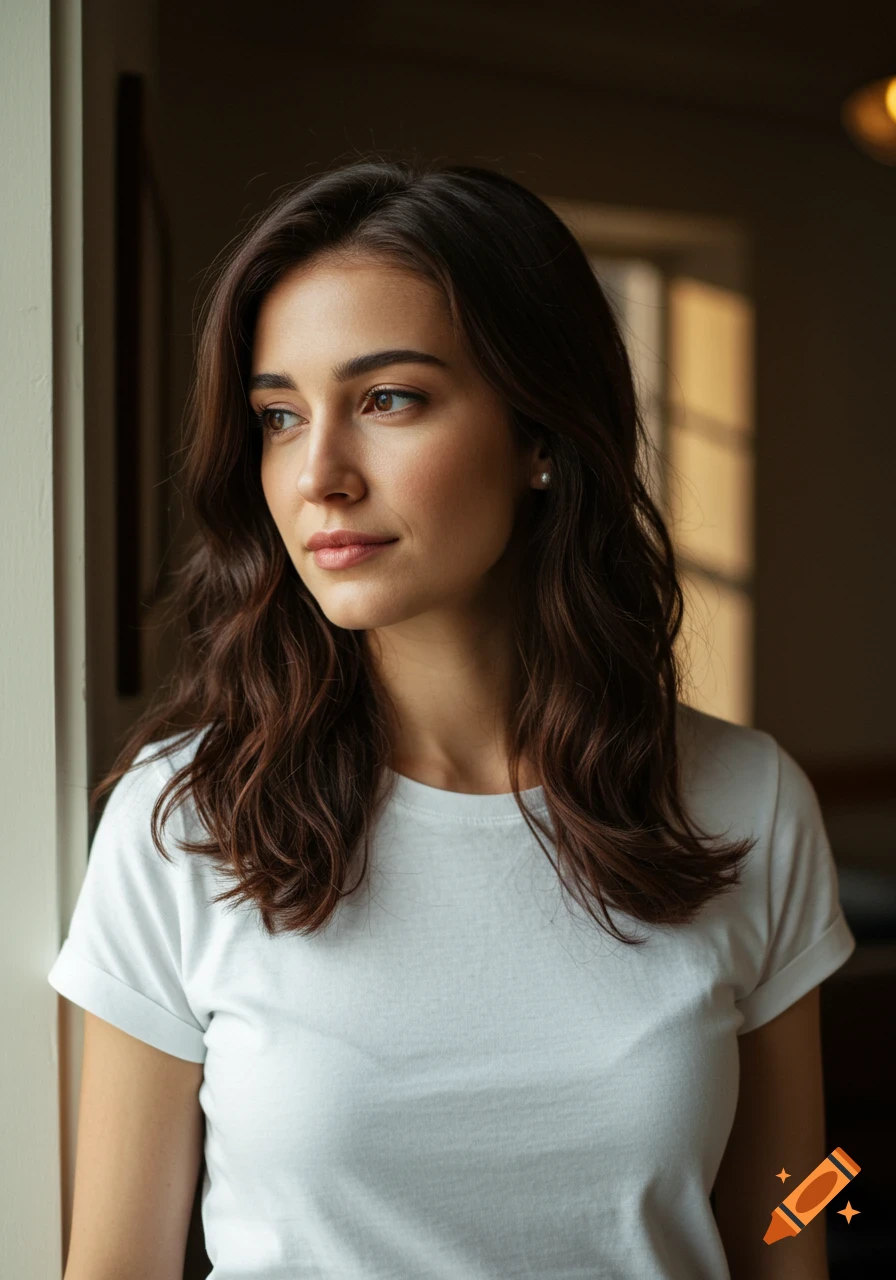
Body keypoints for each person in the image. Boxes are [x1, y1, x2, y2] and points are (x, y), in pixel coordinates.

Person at [49, 158, 855, 1280]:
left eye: (387, 399)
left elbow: (789, 1219)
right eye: (279, 416)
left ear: (539, 434)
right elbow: (114, 1266)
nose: (318, 474)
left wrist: (832, 1208)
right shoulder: (183, 825)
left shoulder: (745, 800)